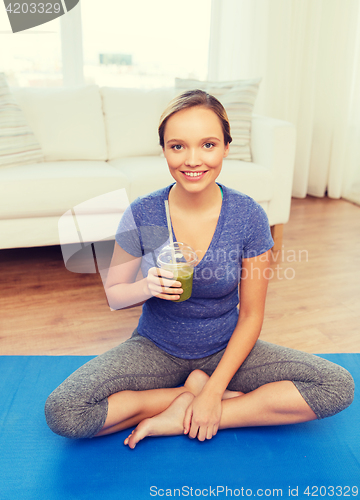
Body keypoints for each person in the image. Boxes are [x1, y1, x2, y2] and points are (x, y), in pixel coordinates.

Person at [45, 90, 354, 449]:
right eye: (178, 147)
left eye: (207, 145)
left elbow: (252, 315)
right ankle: (183, 395)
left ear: (226, 147)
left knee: (336, 386)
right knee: (65, 412)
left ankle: (193, 412)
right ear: (163, 150)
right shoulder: (143, 213)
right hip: (155, 347)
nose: (193, 160)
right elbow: (115, 294)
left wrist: (213, 393)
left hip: (227, 349)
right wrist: (147, 285)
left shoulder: (248, 216)